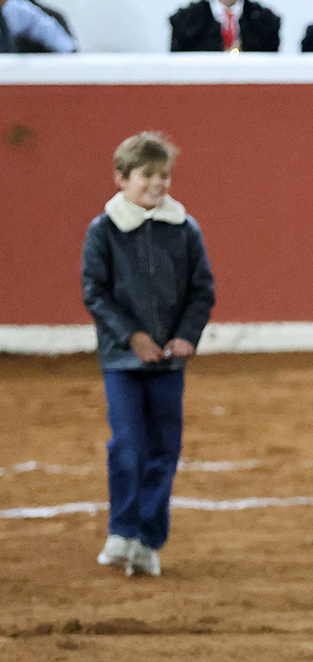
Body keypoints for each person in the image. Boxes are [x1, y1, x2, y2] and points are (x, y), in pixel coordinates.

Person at [82, 133, 216, 577]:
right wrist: (132, 336)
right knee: (127, 444)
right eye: (148, 175)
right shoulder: (103, 230)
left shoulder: (184, 228)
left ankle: (148, 539)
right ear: (122, 179)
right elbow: (95, 293)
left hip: (168, 361)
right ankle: (123, 529)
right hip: (123, 361)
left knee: (163, 449)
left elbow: (201, 291)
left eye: (165, 174)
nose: (159, 183)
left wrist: (186, 337)